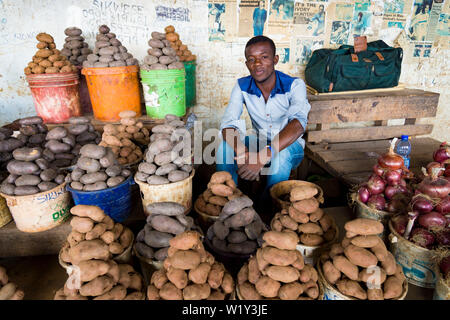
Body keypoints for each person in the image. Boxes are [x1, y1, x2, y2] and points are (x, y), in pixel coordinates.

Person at [217, 36, 311, 213]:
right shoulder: (242, 86)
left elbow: (298, 125)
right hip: (258, 141)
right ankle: (227, 202)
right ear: (247, 64)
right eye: (251, 59)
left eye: (264, 57)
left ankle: (268, 209)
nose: (257, 63)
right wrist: (242, 151)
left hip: (290, 146)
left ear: (275, 59)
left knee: (279, 157)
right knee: (225, 147)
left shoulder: (294, 85)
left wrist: (262, 157)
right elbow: (228, 124)